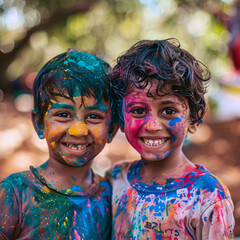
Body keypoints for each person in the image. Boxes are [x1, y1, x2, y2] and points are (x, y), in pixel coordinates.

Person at [108, 39, 235, 239]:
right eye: (139, 110)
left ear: (194, 118)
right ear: (121, 118)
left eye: (168, 110)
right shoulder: (116, 179)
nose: (152, 125)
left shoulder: (209, 197)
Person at [0, 49, 118, 239]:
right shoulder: (15, 193)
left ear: (112, 129)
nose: (78, 130)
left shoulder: (112, 196)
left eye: (94, 116)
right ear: (39, 124)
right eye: (63, 115)